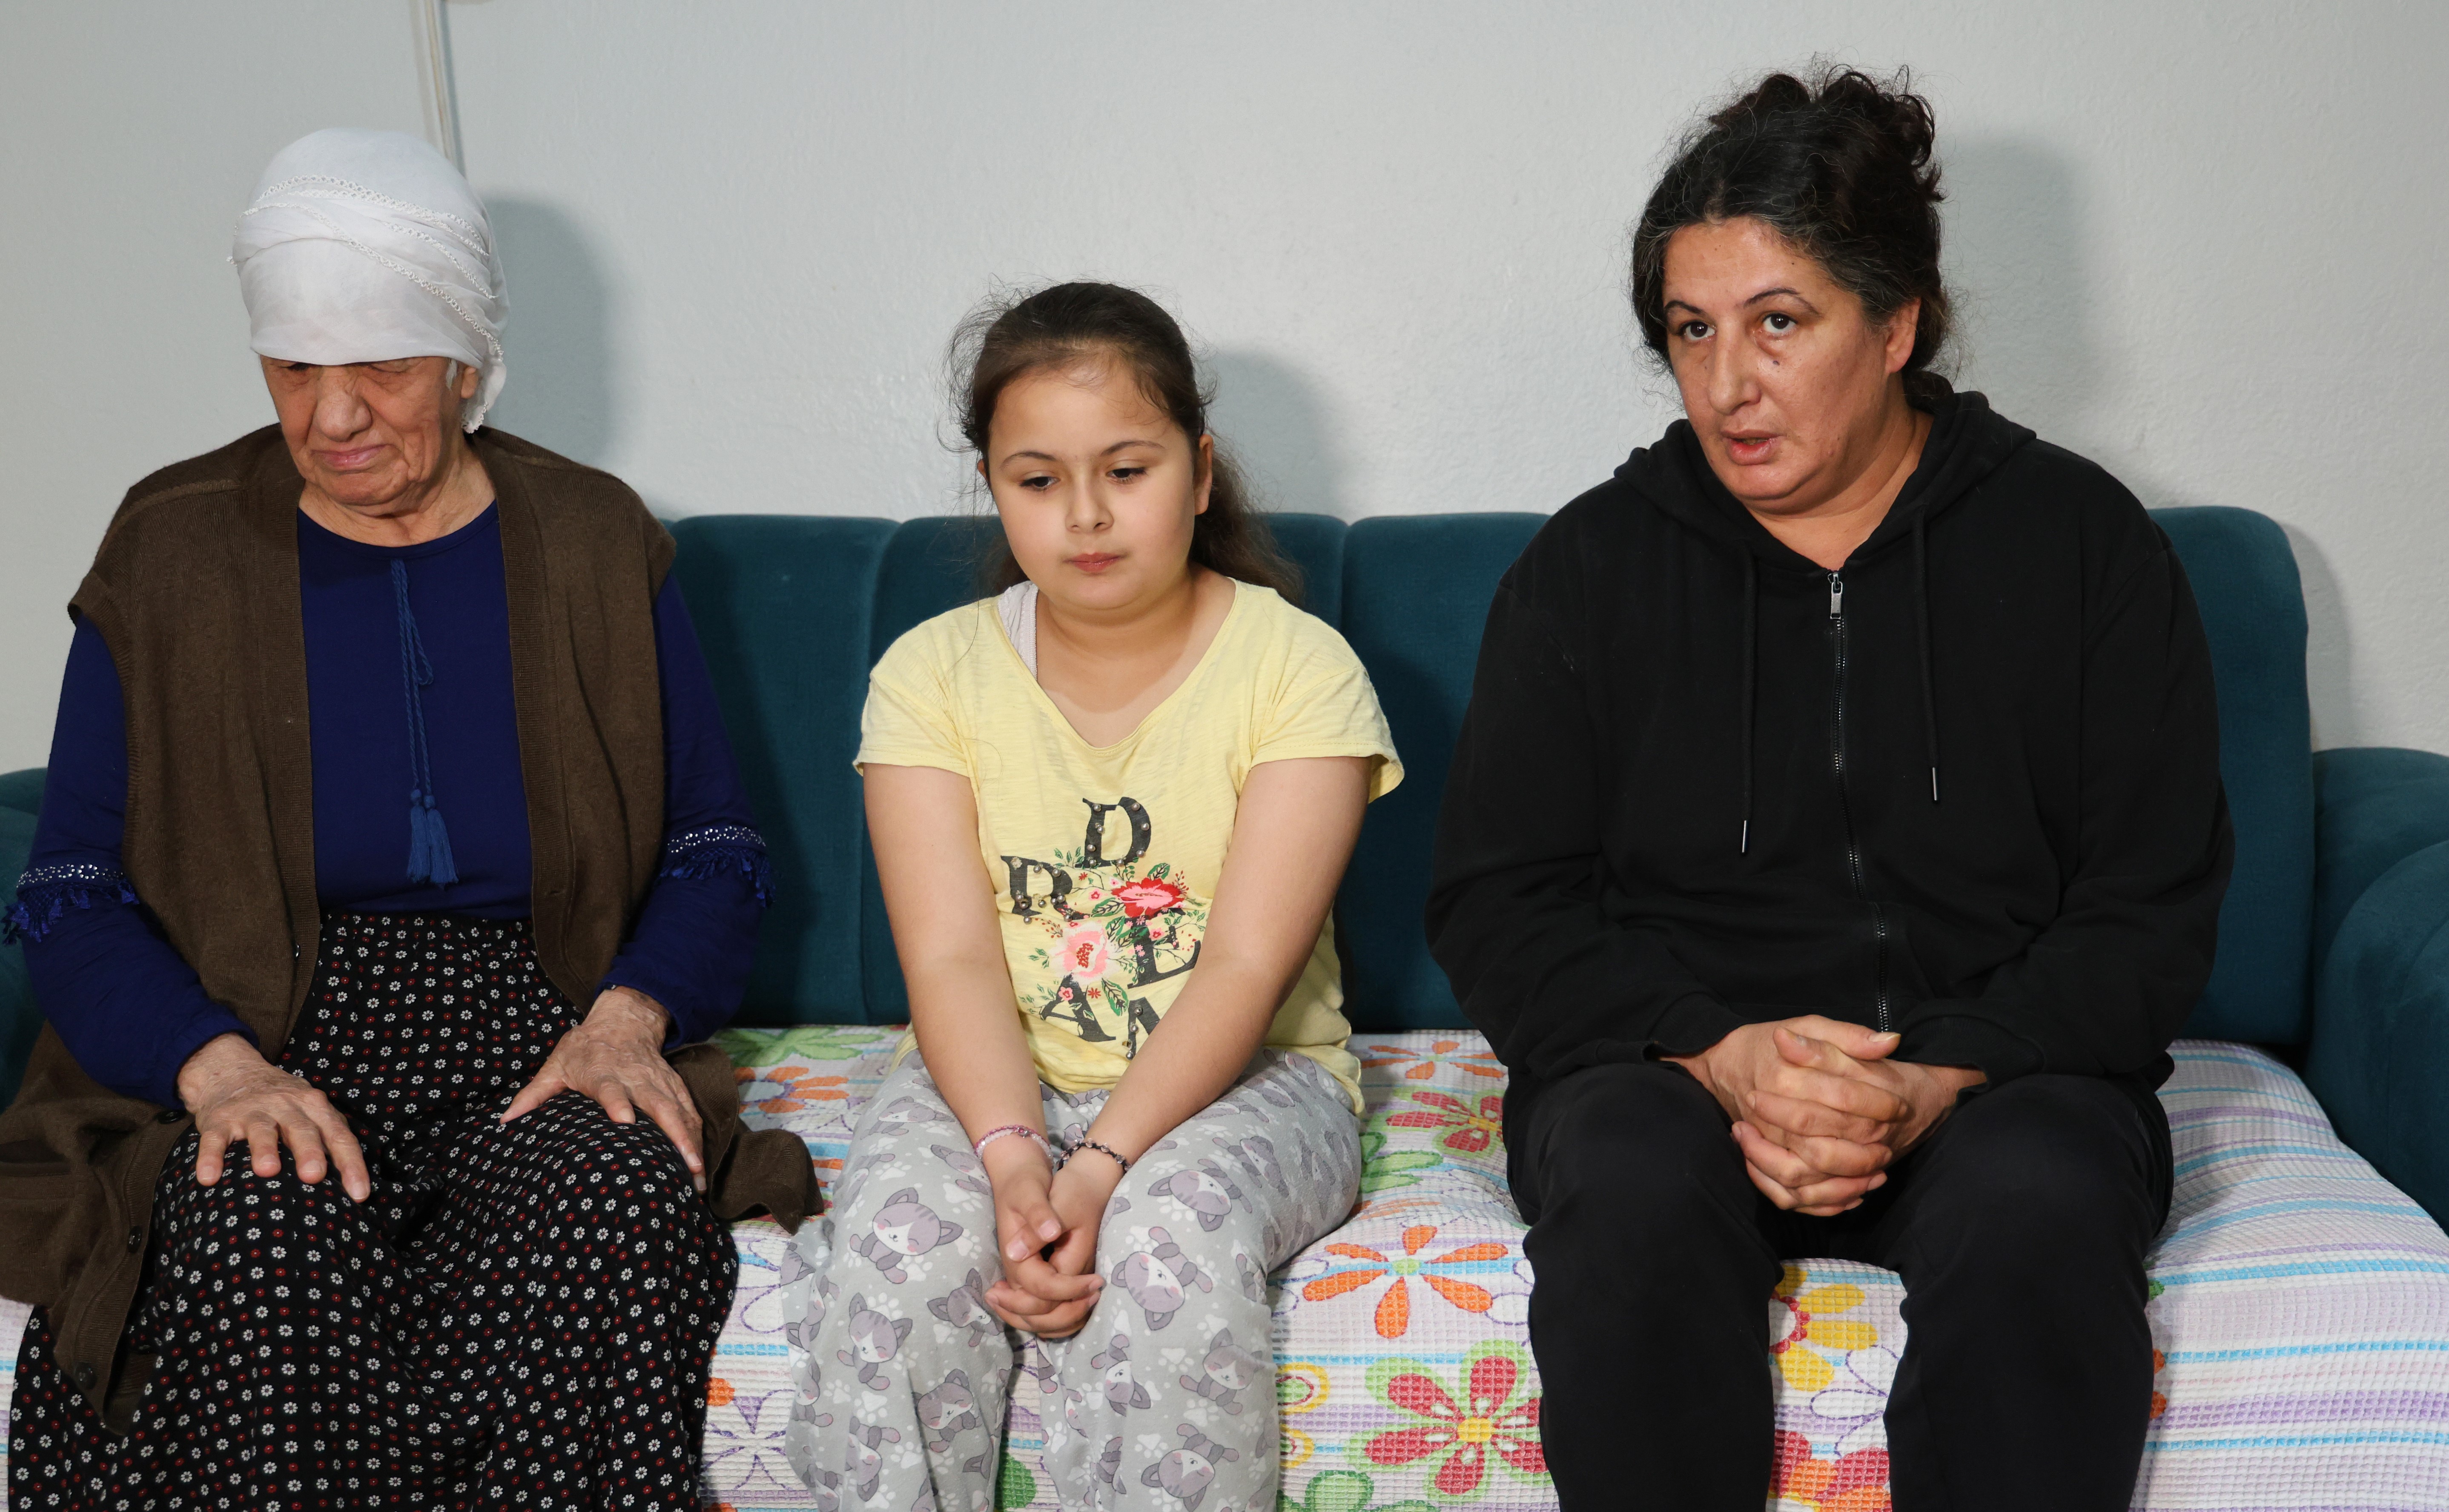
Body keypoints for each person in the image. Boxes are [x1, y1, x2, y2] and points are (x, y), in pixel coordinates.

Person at [1427, 69, 2232, 1510]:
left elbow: (2150, 905)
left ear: (1897, 324)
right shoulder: (1589, 570)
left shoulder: (2083, 545)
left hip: (1998, 1081)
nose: (1727, 384)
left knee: (2041, 1196)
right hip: (1675, 1080)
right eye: (1692, 330)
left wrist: (1934, 1074)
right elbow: (1500, 903)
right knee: (1625, 1175)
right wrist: (1717, 1051)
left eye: (1779, 323)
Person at [0, 128, 815, 1509]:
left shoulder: (594, 537)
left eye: (378, 366)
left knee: (613, 1199)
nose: (332, 416)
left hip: (539, 1035)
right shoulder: (169, 543)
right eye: (292, 369)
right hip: (259, 1033)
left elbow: (714, 849)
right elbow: (71, 885)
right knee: (253, 1223)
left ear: (464, 360)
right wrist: (215, 1069)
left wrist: (626, 1022)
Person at [796, 282, 1397, 1510]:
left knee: (1165, 1240)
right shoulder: (929, 676)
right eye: (1037, 480)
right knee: (904, 1246)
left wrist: (1102, 1166)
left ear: (1201, 471)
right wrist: (1016, 1160)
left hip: (1250, 1076)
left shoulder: (1298, 669)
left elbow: (1244, 969)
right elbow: (953, 961)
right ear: (993, 485)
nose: (1085, 515)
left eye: (1127, 470)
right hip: (988, 1077)